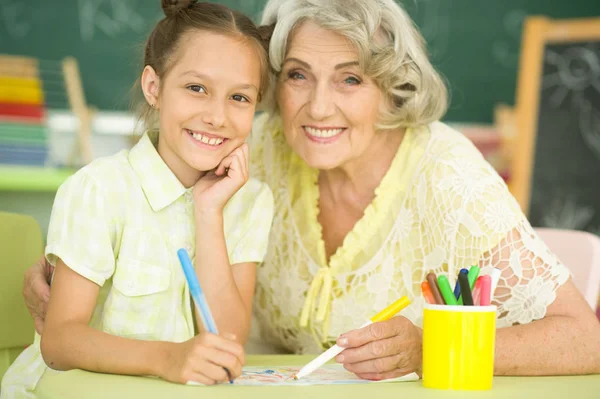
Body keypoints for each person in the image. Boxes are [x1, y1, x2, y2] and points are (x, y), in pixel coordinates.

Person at [22, 0, 600, 383]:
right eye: (298, 75)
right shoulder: (255, 146)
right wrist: (61, 274)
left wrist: (433, 348)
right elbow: (134, 209)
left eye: (350, 78)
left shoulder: (447, 176)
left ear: (392, 87)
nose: (318, 107)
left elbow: (585, 340)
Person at [2, 1, 274, 397]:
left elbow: (227, 339)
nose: (217, 116)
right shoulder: (100, 189)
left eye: (240, 98)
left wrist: (208, 212)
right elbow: (60, 342)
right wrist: (168, 358)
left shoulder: (251, 201)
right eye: (196, 88)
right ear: (154, 87)